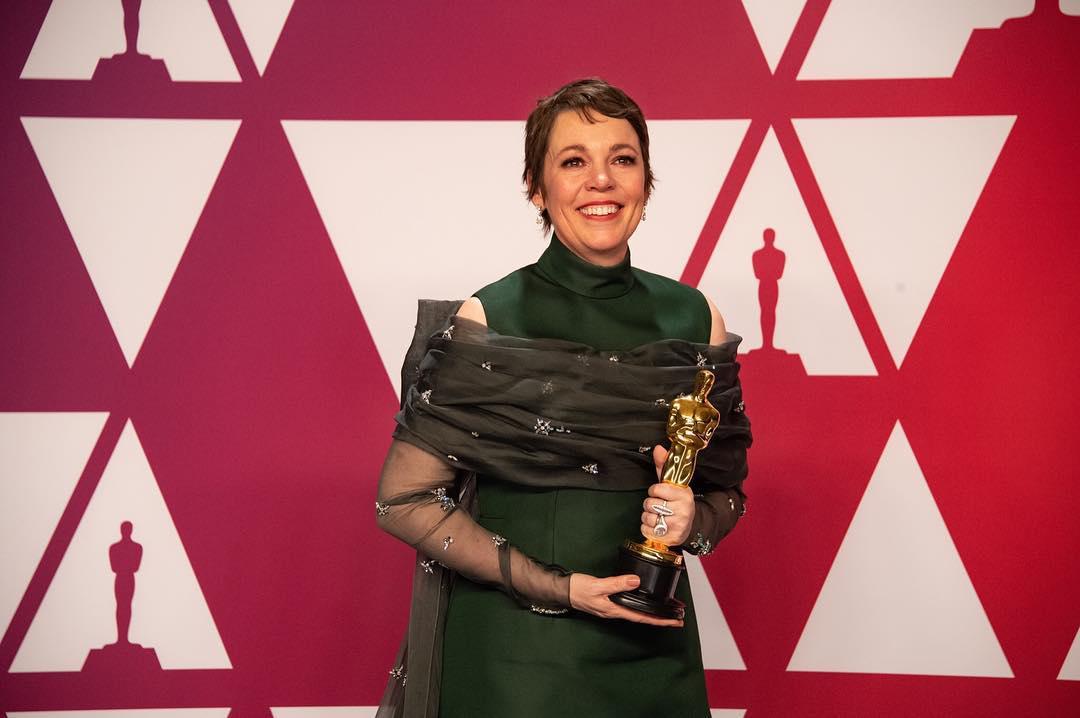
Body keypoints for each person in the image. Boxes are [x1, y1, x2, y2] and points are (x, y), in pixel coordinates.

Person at [375, 78, 751, 717]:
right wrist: (561, 588)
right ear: (536, 187)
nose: (601, 180)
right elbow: (402, 500)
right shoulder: (490, 316)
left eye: (622, 159)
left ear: (646, 181)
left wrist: (694, 521)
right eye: (574, 161)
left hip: (652, 650)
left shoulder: (696, 319)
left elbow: (725, 492)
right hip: (516, 658)